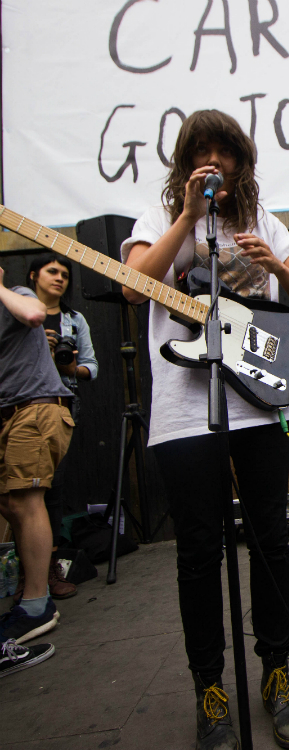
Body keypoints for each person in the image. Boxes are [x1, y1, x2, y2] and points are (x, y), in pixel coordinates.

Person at [121, 110, 289, 750]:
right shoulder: (157, 222)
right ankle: (210, 687)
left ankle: (276, 672)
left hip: (257, 404)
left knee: (269, 539)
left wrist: (278, 266)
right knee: (199, 551)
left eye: (222, 151)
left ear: (240, 161)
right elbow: (133, 290)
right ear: (185, 163)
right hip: (184, 411)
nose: (212, 160)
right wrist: (184, 217)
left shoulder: (264, 222)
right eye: (199, 151)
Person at [10, 254, 98, 601]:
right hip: (19, 402)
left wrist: (71, 368)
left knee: (51, 491)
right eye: (51, 271)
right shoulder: (18, 311)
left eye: (65, 274)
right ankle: (29, 576)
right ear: (33, 275)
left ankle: (48, 570)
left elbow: (92, 368)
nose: (59, 278)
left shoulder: (74, 321)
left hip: (59, 405)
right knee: (20, 497)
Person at [0, 262, 74, 656]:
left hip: (37, 410)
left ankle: (35, 604)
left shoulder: (19, 296)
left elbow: (33, 315)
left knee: (26, 502)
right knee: (8, 503)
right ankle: (31, 586)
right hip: (10, 414)